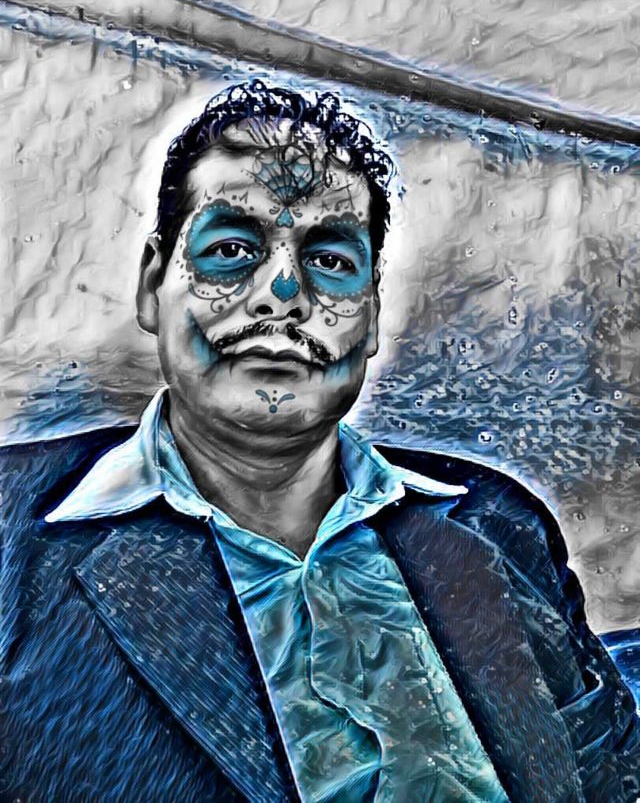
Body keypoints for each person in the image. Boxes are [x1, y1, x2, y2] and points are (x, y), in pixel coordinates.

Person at [1, 80, 639, 803]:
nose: (283, 292)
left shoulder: (498, 522)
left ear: (371, 317)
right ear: (153, 285)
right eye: (231, 248)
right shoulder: (11, 540)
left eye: (331, 260)